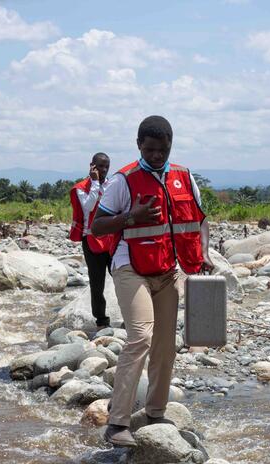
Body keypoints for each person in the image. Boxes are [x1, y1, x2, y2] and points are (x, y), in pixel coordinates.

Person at [91, 115, 214, 447]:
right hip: (130, 268)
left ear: (171, 144)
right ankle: (116, 423)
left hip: (167, 271)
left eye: (163, 149)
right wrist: (132, 217)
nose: (157, 155)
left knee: (164, 345)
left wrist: (202, 251)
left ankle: (155, 413)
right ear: (138, 145)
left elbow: (200, 221)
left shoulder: (184, 177)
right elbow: (98, 226)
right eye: (150, 149)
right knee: (141, 337)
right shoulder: (123, 180)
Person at [69, 152, 114, 329]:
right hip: (91, 239)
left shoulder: (111, 185)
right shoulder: (81, 188)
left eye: (106, 167)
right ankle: (102, 320)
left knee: (121, 278)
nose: (103, 170)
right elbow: (88, 206)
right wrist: (95, 183)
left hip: (111, 238)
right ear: (92, 166)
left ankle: (129, 315)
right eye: (100, 166)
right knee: (97, 283)